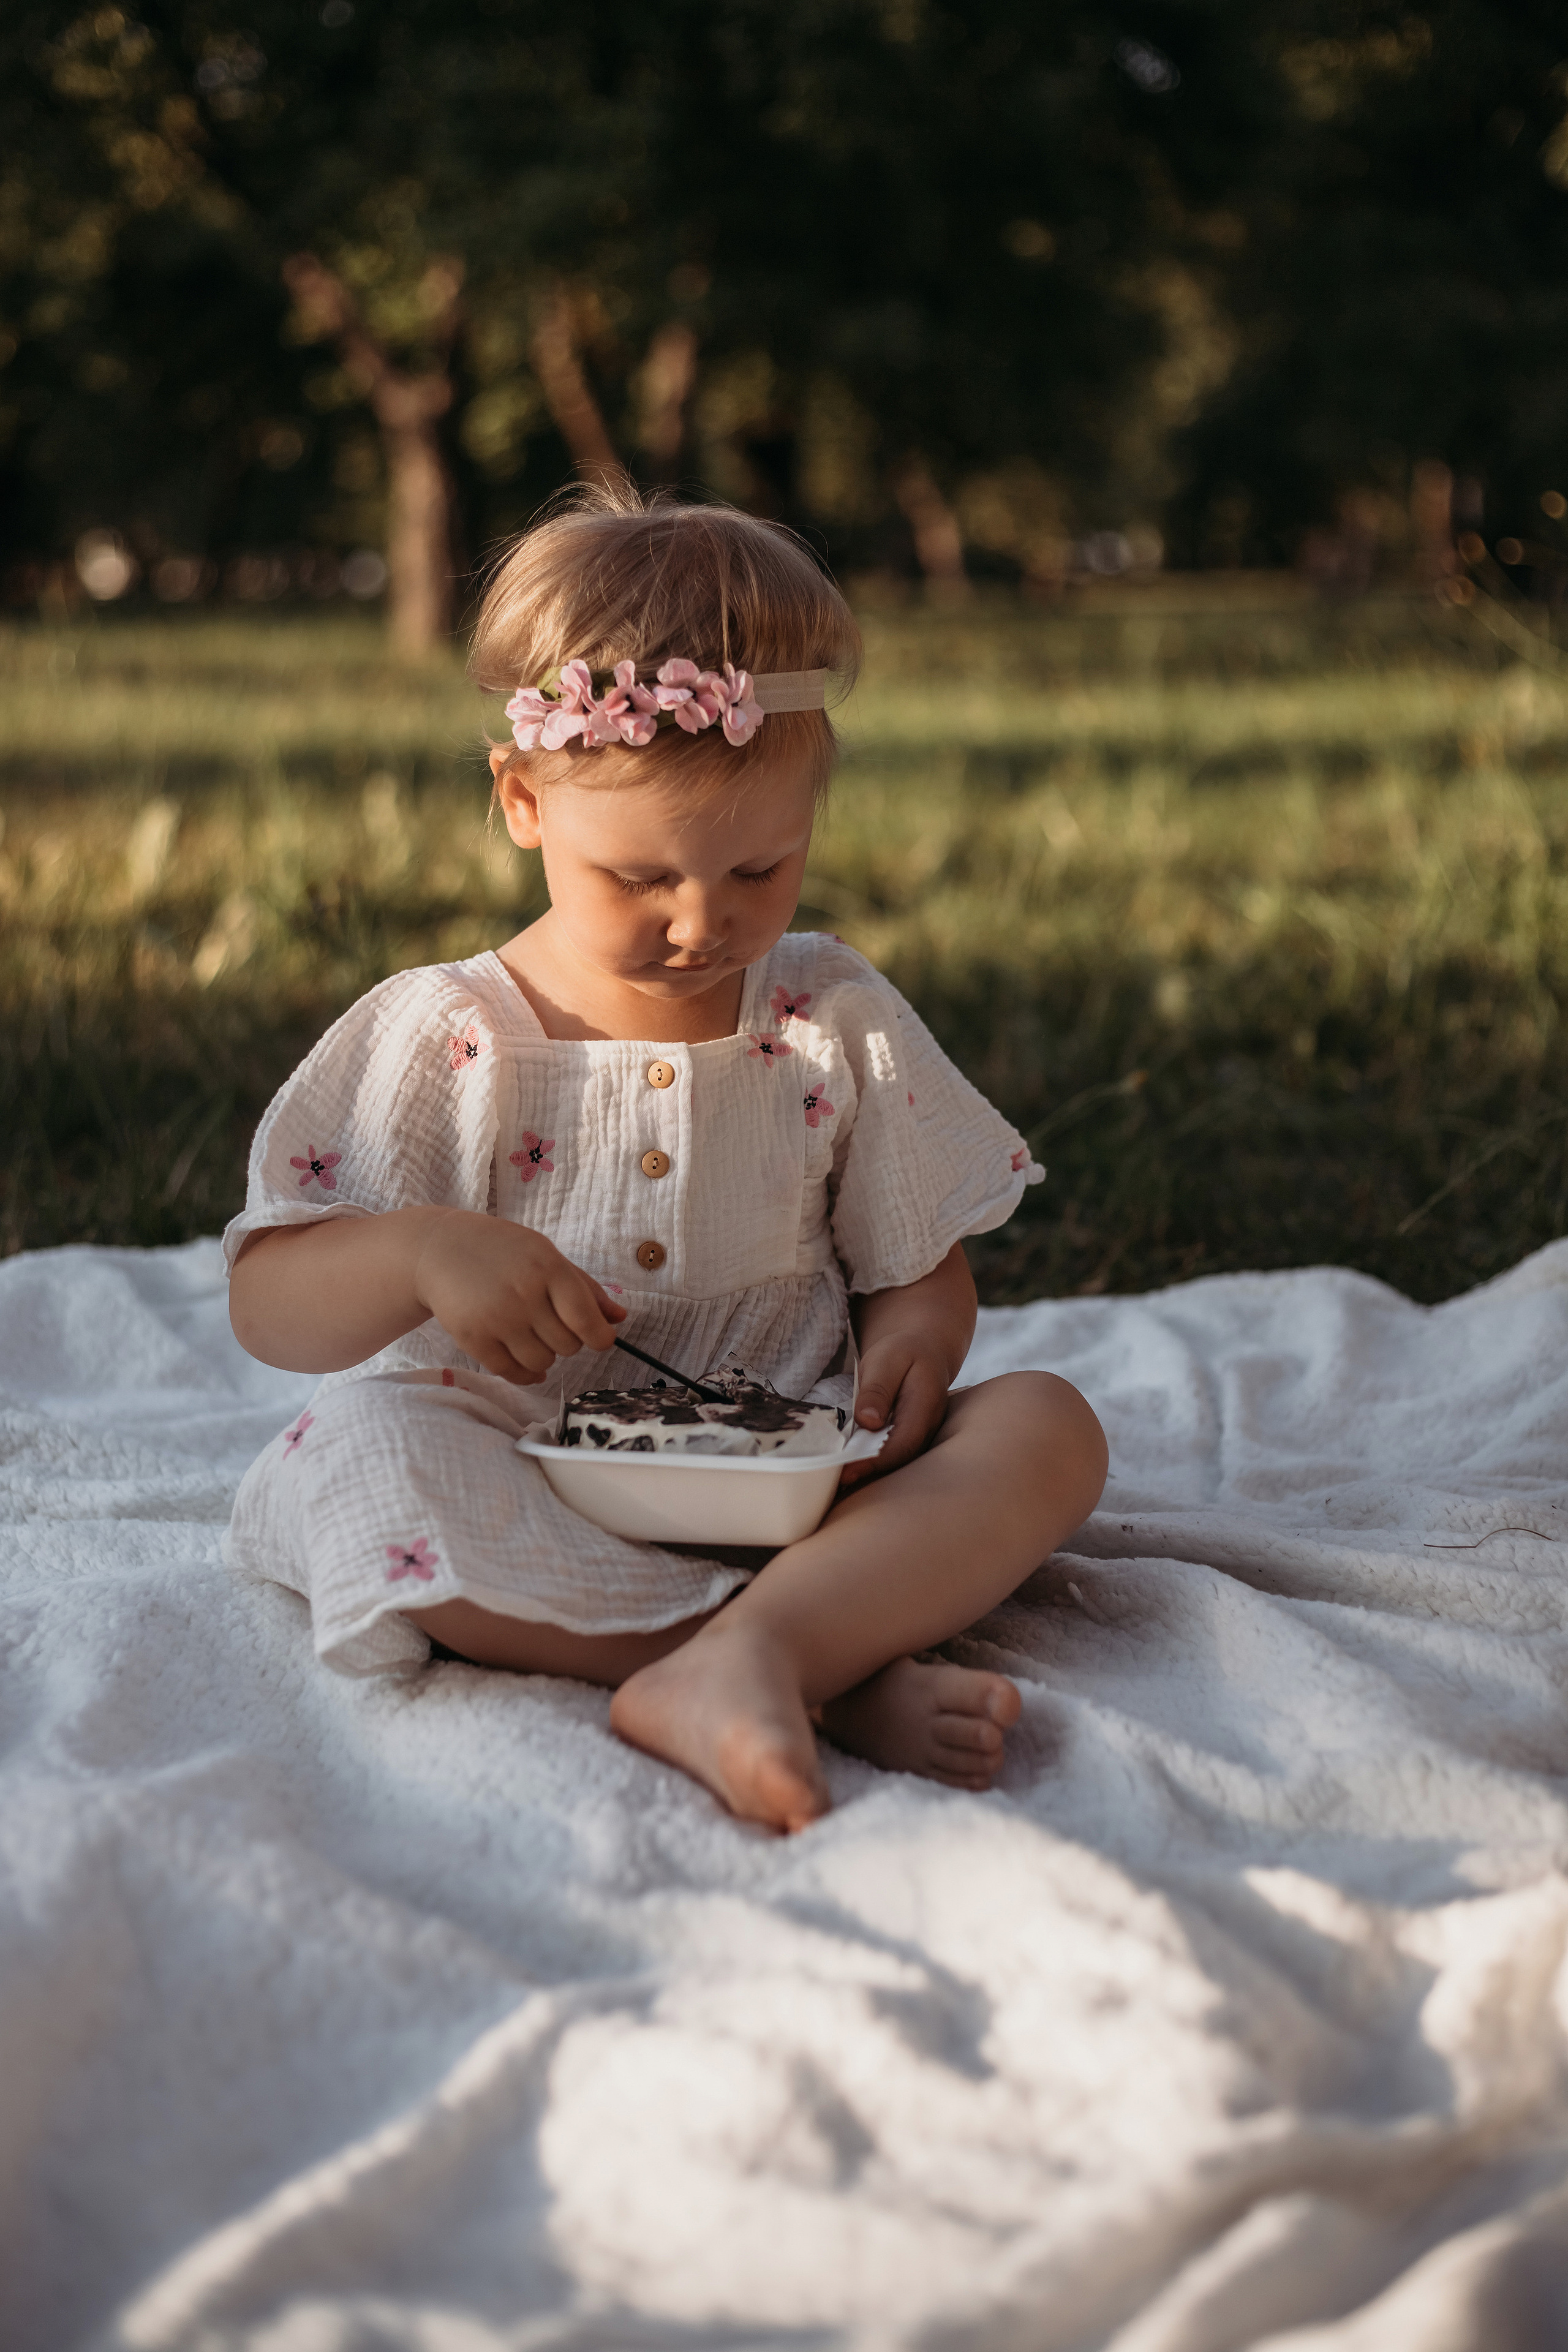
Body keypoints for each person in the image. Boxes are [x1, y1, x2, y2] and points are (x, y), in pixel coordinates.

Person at [225, 486, 1108, 1834]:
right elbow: (269, 1302)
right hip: (518, 1467)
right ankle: (793, 1665)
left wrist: (911, 1354)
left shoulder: (828, 1018)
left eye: (762, 868)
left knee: (1046, 1427)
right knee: (354, 1460)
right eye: (641, 879)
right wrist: (414, 1253)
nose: (705, 925)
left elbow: (915, 1273)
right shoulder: (445, 1034)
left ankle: (767, 1643)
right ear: (524, 800)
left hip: (798, 1478)